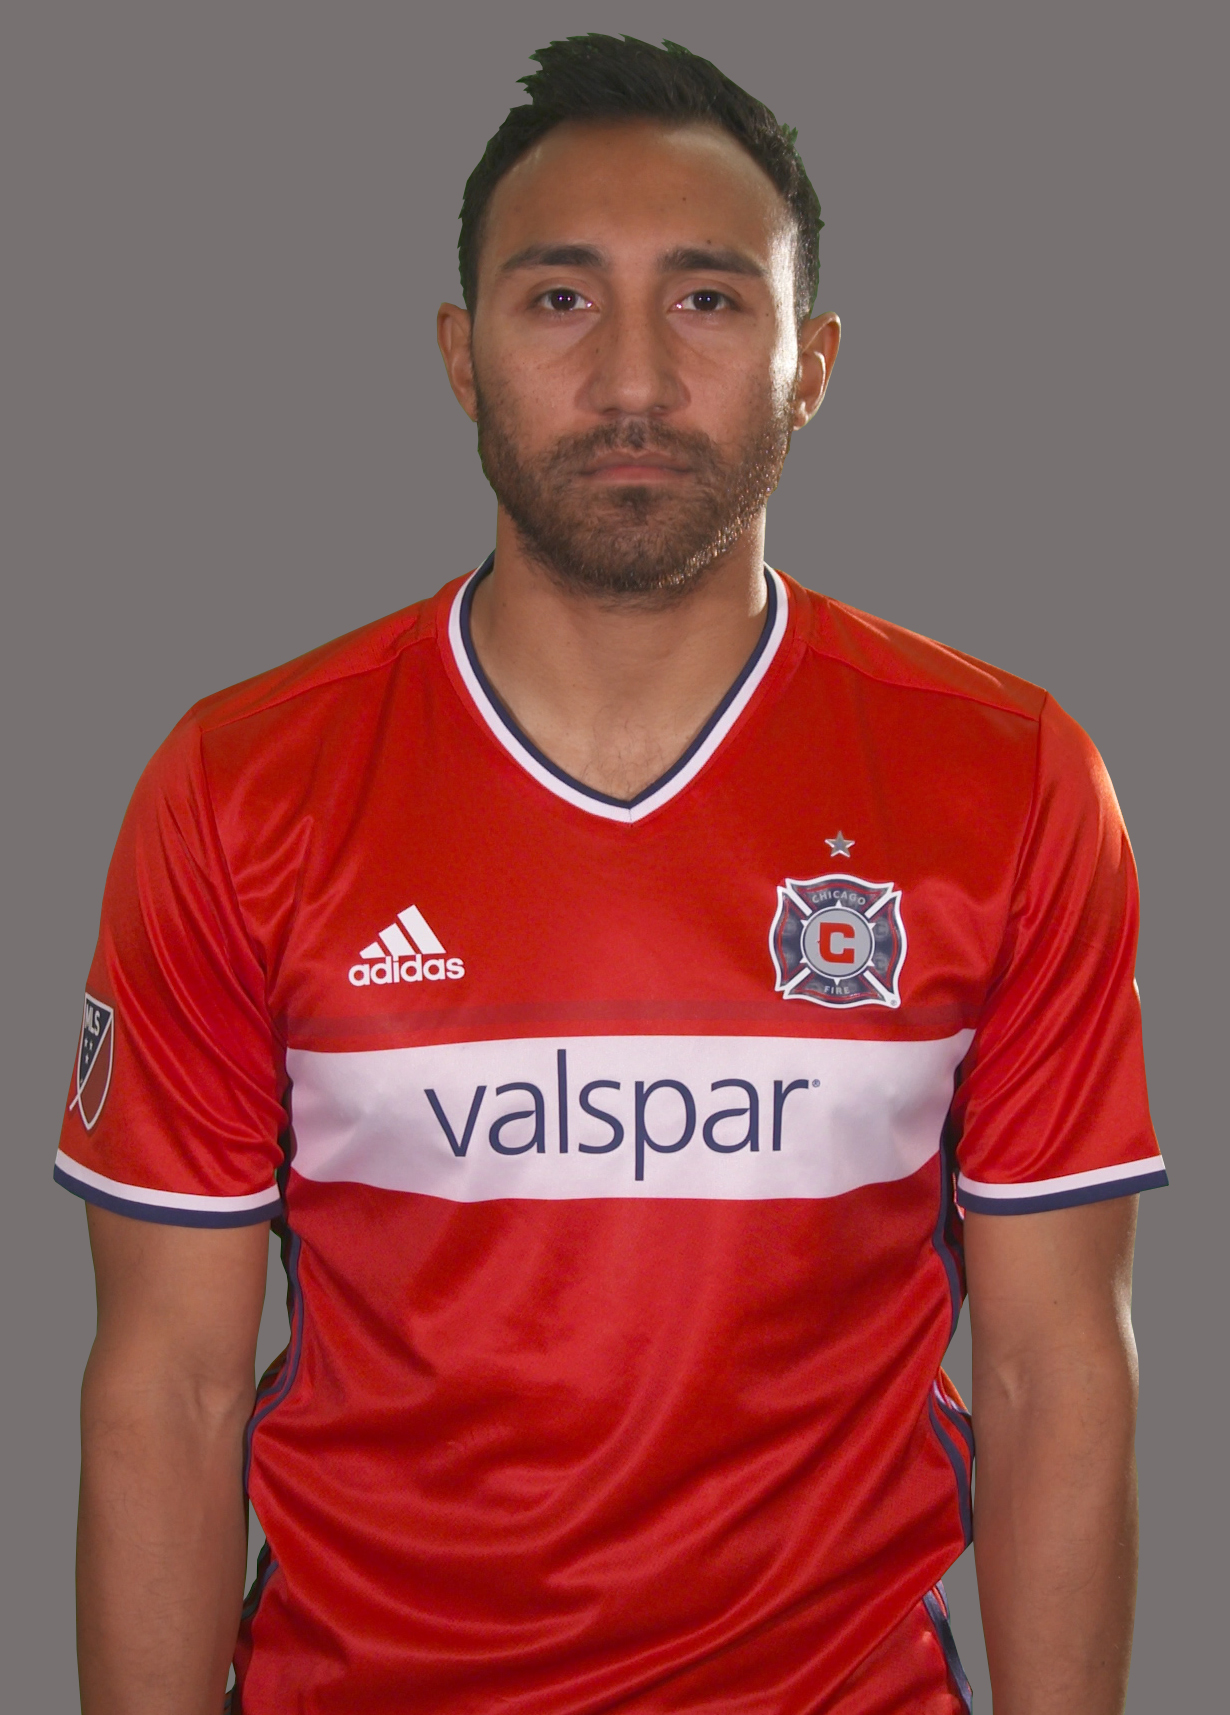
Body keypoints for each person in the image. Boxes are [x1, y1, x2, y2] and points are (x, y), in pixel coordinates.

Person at [58, 33, 1165, 1715]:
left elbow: (1050, 1371)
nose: (633, 378)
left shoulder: (1002, 777)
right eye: (560, 299)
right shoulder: (240, 785)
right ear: (460, 354)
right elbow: (169, 1388)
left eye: (709, 300)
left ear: (811, 364)